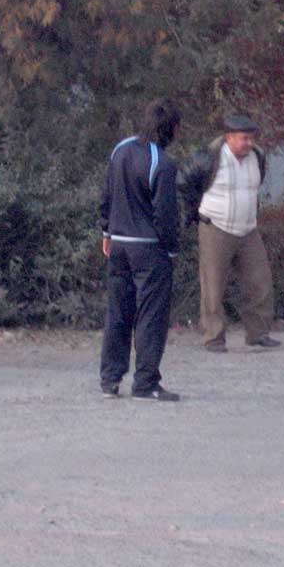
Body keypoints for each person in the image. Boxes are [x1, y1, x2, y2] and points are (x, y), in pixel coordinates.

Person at [99, 98, 182, 401]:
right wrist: (171, 250)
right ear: (171, 128)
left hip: (119, 243)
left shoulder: (120, 150)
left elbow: (107, 193)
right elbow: (165, 214)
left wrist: (106, 231)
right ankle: (146, 382)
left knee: (118, 311)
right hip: (148, 249)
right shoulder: (163, 163)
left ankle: (110, 379)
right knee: (150, 315)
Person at [179, 114, 280, 353]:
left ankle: (258, 333)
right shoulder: (208, 158)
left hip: (248, 229)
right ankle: (214, 337)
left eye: (251, 139)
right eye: (244, 138)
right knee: (213, 286)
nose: (249, 143)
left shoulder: (258, 157)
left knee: (260, 281)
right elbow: (183, 183)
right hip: (216, 228)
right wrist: (193, 214)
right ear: (229, 137)